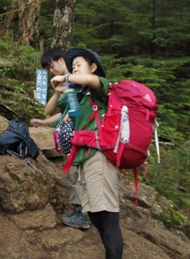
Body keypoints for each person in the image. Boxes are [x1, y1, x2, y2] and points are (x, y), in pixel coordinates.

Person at [45, 47, 123, 259]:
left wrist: (67, 76)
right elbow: (49, 111)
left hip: (100, 157)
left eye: (78, 65)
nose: (75, 68)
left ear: (93, 67)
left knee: (107, 217)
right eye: (73, 66)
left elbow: (93, 81)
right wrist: (59, 89)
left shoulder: (100, 87)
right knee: (97, 217)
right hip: (85, 159)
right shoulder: (79, 94)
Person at [29, 47, 91, 230]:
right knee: (74, 174)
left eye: (51, 66)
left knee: (77, 175)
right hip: (73, 139)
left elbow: (75, 114)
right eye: (48, 68)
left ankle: (83, 214)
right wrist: (44, 120)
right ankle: (81, 211)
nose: (51, 70)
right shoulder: (67, 84)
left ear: (62, 61)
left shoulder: (76, 80)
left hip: (81, 139)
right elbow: (56, 112)